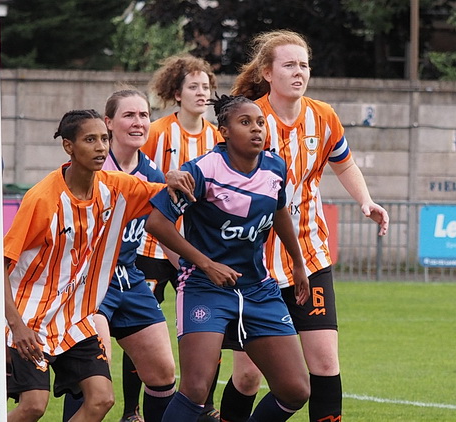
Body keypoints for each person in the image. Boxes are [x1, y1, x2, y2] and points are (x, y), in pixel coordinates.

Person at [222, 30, 390, 422]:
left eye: (304, 65)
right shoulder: (249, 118)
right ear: (267, 72)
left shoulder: (324, 116)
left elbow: (344, 162)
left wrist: (365, 201)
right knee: (247, 376)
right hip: (253, 265)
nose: (300, 72)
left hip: (309, 257)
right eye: (290, 65)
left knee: (325, 363)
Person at [3, 109, 193, 422]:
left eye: (104, 139)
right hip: (31, 318)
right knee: (33, 406)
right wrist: (16, 325)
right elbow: (0, 265)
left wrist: (173, 176)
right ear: (68, 146)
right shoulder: (42, 200)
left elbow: (164, 192)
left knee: (101, 399)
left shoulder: (116, 187)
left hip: (76, 319)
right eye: (90, 140)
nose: (101, 147)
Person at [146, 94, 311, 422]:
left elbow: (279, 212)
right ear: (224, 131)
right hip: (205, 287)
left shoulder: (275, 166)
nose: (256, 130)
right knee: (195, 390)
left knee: (296, 390)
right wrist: (205, 263)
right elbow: (156, 223)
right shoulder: (202, 170)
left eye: (260, 123)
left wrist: (297, 261)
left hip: (258, 289)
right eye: (245, 123)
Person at [61, 89, 177, 422]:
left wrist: (191, 267)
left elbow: (161, 228)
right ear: (109, 122)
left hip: (129, 278)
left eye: (144, 115)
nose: (138, 122)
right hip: (88, 282)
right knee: (94, 374)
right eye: (129, 115)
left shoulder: (152, 174)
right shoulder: (87, 166)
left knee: (162, 372)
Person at [134, 53, 225, 422]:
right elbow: (136, 174)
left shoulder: (218, 136)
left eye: (206, 86)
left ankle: (205, 406)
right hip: (153, 245)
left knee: (208, 328)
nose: (202, 92)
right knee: (142, 327)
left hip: (197, 248)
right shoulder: (157, 131)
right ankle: (132, 411)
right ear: (177, 92)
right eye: (194, 86)